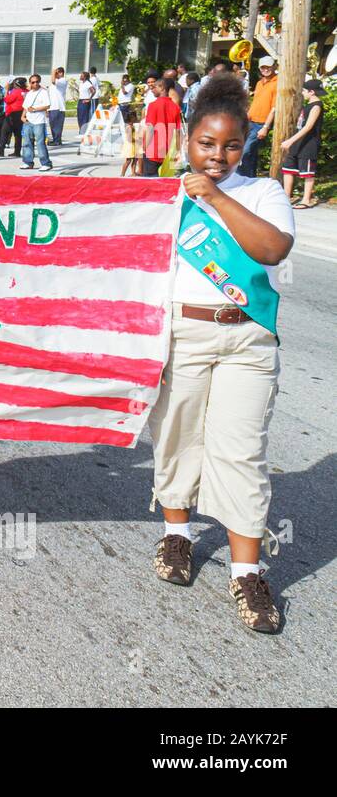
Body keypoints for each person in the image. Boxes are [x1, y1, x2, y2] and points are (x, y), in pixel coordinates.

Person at [147, 73, 295, 635]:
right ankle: (177, 536)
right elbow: (73, 217)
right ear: (187, 141)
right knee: (178, 436)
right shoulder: (161, 198)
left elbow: (272, 248)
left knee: (242, 452)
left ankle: (247, 570)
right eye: (207, 144)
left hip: (248, 339)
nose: (218, 155)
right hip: (183, 334)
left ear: (245, 144)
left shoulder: (262, 193)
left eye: (231, 144)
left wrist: (212, 196)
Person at [280, 79, 324, 209]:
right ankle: (286, 197)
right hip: (298, 141)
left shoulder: (316, 106)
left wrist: (290, 140)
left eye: (304, 91)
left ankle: (306, 199)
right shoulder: (308, 104)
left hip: (309, 143)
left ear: (311, 92)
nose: (303, 93)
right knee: (288, 168)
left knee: (307, 172)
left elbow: (308, 127)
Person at [241, 56, 279, 178]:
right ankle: (250, 180)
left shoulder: (278, 83)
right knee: (250, 154)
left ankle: (244, 178)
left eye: (268, 66)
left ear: (274, 66)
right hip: (250, 122)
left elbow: (274, 108)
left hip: (261, 124)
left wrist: (266, 127)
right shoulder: (259, 83)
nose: (265, 69)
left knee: (244, 152)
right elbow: (256, 101)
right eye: (263, 67)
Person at [142, 78, 182, 177]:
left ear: (162, 88)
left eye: (155, 87)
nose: (152, 89)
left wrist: (144, 147)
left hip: (153, 148)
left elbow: (150, 128)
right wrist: (178, 150)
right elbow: (178, 131)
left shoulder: (153, 105)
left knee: (150, 183)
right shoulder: (175, 107)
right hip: (167, 150)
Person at [19, 73, 53, 171]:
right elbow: (26, 106)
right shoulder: (29, 93)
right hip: (28, 121)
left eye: (37, 82)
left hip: (39, 121)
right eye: (33, 82)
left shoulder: (43, 92)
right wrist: (22, 116)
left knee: (40, 143)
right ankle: (28, 162)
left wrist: (34, 109)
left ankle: (46, 163)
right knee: (27, 143)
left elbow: (47, 106)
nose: (35, 84)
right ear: (30, 83)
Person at [1, 77, 25, 157]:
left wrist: (6, 90)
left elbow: (7, 100)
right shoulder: (26, 91)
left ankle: (1, 151)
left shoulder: (16, 92)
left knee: (5, 132)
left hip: (13, 114)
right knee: (18, 134)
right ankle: (17, 151)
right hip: (21, 113)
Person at [46, 68, 66, 145]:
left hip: (58, 107)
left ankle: (57, 140)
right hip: (52, 107)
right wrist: (47, 109)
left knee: (57, 125)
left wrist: (53, 72)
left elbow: (53, 81)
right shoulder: (53, 84)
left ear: (61, 73)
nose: (56, 74)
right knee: (52, 125)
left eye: (57, 73)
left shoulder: (62, 81)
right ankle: (55, 139)